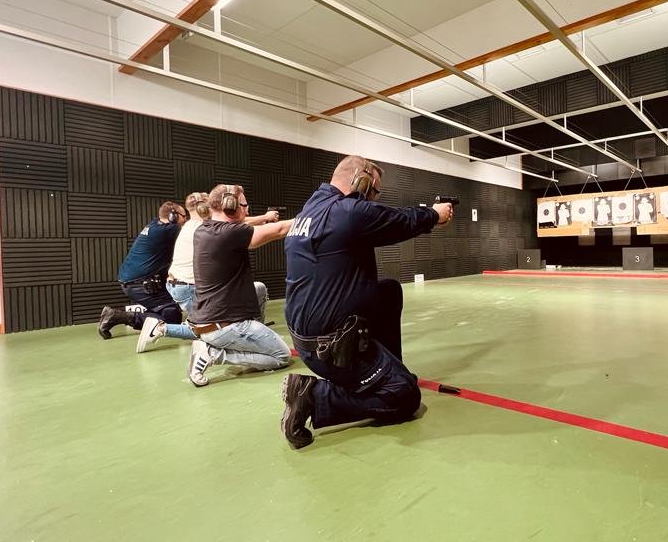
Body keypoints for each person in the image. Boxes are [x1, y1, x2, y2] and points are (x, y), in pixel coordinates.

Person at [279, 155, 453, 449]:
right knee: (406, 395)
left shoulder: (310, 210)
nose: (372, 199)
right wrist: (435, 215)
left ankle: (386, 368)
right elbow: (400, 221)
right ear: (361, 180)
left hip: (312, 335)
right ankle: (314, 395)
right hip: (331, 347)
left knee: (388, 291)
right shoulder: (347, 211)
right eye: (374, 191)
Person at [135, 191, 280, 353]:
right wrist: (265, 217)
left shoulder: (192, 225)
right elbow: (240, 223)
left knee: (255, 291)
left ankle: (250, 332)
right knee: (208, 328)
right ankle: (160, 328)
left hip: (180, 284)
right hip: (188, 287)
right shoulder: (205, 227)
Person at [185, 184, 295, 387]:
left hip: (207, 319)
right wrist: (315, 215)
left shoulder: (205, 228)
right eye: (244, 205)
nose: (247, 210)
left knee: (259, 288)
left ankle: (248, 341)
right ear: (230, 206)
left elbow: (245, 221)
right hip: (225, 326)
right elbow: (280, 230)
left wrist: (264, 217)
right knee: (282, 356)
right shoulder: (230, 233)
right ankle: (213, 354)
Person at [98, 201, 188, 340]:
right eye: (184, 215)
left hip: (134, 280)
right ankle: (116, 316)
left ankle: (134, 317)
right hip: (139, 283)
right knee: (172, 318)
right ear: (173, 216)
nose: (185, 219)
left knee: (167, 309)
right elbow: (193, 229)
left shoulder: (154, 224)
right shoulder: (168, 230)